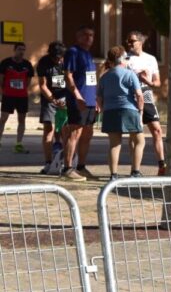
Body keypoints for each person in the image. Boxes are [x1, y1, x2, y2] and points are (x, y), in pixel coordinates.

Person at [97, 46, 145, 180]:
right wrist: (140, 110)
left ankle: (113, 174)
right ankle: (135, 172)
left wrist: (102, 109)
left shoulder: (104, 76)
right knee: (139, 141)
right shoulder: (130, 74)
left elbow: (99, 98)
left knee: (114, 144)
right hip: (129, 109)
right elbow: (139, 95)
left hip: (110, 111)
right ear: (122, 59)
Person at [126, 30, 167, 175]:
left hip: (146, 94)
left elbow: (157, 83)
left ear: (141, 42)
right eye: (128, 41)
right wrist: (137, 76)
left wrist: (146, 80)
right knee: (135, 134)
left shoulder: (151, 59)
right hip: (131, 97)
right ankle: (135, 168)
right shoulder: (125, 59)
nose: (129, 44)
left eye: (132, 41)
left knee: (157, 130)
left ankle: (162, 165)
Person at [62, 25, 99, 181]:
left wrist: (96, 98)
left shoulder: (88, 54)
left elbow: (91, 78)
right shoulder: (73, 52)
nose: (88, 37)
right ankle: (67, 168)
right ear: (78, 37)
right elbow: (68, 76)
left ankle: (81, 167)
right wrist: (77, 96)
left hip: (90, 100)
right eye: (85, 34)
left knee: (87, 134)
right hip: (78, 100)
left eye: (91, 35)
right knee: (74, 133)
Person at [37, 41, 69, 173]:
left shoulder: (67, 61)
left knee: (65, 130)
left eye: (61, 57)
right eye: (56, 57)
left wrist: (67, 100)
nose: (59, 60)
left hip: (66, 97)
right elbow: (42, 85)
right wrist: (53, 100)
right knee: (48, 128)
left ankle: (66, 162)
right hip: (49, 98)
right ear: (50, 55)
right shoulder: (44, 62)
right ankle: (48, 162)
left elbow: (71, 80)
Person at [0, 42, 35, 153]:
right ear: (14, 50)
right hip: (8, 96)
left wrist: (22, 89)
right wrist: (3, 92)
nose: (21, 51)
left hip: (22, 97)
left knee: (22, 120)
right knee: (3, 119)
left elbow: (28, 81)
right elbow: (1, 79)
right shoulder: (5, 63)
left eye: (23, 49)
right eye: (19, 49)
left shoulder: (27, 64)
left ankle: (18, 144)